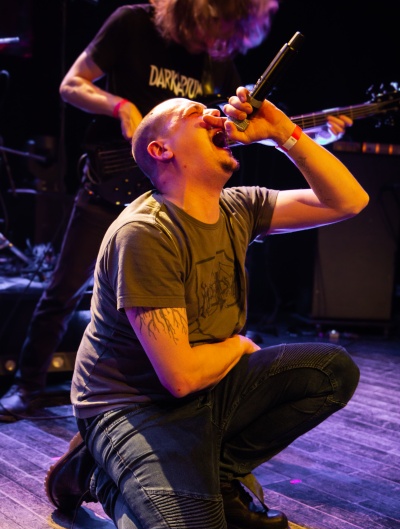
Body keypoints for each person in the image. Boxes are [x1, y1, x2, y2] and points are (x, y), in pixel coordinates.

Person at [44, 89, 368, 529]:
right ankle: (102, 473)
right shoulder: (145, 233)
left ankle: (214, 473)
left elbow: (348, 201)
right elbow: (180, 378)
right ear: (161, 150)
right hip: (131, 407)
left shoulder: (239, 207)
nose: (216, 116)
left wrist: (283, 134)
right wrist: (238, 345)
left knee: (331, 371)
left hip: (201, 386)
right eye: (196, 113)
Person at [0, 0, 352, 423]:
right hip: (112, 180)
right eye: (217, 21)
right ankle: (28, 386)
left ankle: (183, 395)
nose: (221, 36)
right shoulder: (133, 23)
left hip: (178, 194)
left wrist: (302, 136)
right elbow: (71, 84)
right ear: (195, 9)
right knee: (63, 289)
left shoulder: (216, 60)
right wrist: (121, 107)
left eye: (231, 28)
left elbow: (238, 127)